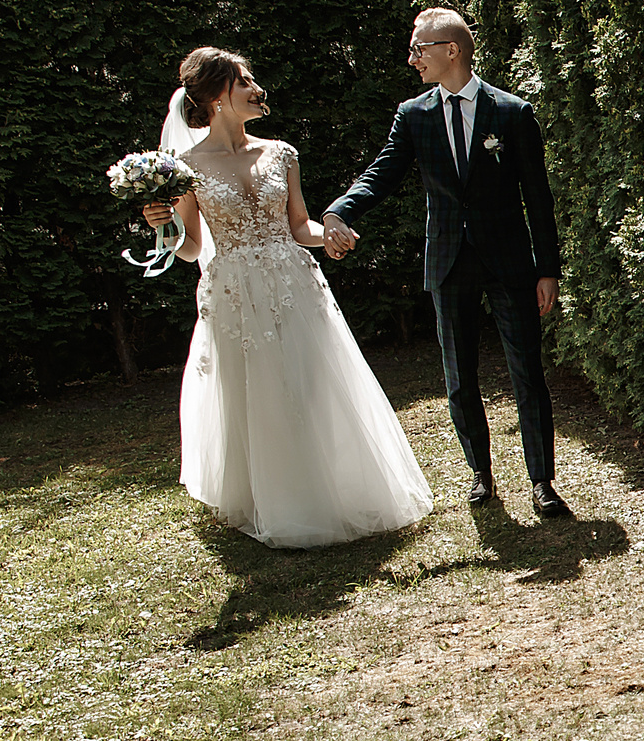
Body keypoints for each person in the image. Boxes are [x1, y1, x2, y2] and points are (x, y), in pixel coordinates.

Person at [141, 48, 434, 549]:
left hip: (294, 283)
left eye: (254, 80)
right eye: (245, 83)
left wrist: (332, 234)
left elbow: (300, 227)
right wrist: (164, 226)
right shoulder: (185, 169)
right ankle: (276, 501)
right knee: (258, 396)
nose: (258, 90)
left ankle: (336, 488)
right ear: (216, 97)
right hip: (233, 292)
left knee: (312, 384)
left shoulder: (281, 152)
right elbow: (192, 247)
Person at [322, 8, 568, 517]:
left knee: (528, 373)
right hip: (449, 262)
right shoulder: (414, 115)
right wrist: (338, 210)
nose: (412, 59)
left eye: (419, 48)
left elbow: (538, 198)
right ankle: (481, 474)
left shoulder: (513, 112)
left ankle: (541, 481)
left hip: (510, 263)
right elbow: (382, 173)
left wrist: (548, 269)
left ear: (450, 50)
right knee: (459, 377)